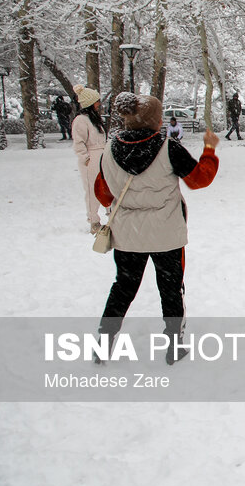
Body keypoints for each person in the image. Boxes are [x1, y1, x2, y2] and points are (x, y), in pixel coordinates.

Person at [93, 92, 220, 365]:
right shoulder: (168, 147)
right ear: (154, 120)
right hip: (166, 233)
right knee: (171, 289)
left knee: (123, 288)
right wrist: (209, 150)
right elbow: (199, 179)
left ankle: (104, 343)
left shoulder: (109, 149)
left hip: (128, 234)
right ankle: (174, 345)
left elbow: (103, 194)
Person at [71, 85, 107, 233]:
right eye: (97, 101)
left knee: (106, 187)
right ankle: (93, 220)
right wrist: (85, 157)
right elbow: (78, 141)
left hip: (101, 158)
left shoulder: (94, 119)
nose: (99, 104)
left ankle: (111, 214)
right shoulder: (80, 120)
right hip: (91, 160)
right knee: (93, 190)